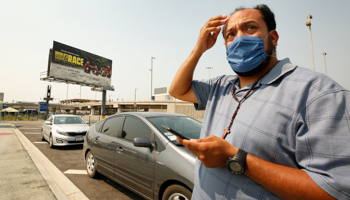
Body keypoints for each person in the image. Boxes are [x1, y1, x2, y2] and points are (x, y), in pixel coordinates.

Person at [169, 4, 350, 200]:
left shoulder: (318, 93)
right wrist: (199, 49)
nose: (239, 38)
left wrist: (235, 158)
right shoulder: (220, 86)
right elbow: (177, 90)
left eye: (249, 28)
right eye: (230, 35)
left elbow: (336, 191)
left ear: (273, 38)